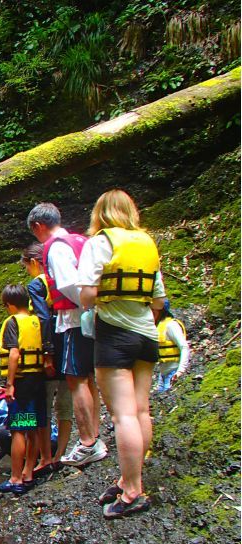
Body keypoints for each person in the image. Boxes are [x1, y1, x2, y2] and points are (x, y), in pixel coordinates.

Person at [78, 189, 166, 518]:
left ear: (99, 214)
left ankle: (132, 491)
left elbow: (86, 295)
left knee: (124, 416)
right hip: (146, 333)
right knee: (141, 411)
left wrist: (102, 295)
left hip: (114, 335)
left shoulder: (99, 243)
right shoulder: (146, 243)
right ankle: (130, 477)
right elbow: (158, 300)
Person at [27, 203, 107, 467]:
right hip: (90, 319)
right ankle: (92, 437)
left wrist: (87, 309)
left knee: (76, 380)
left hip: (75, 321)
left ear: (39, 226)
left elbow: (69, 285)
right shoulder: (79, 240)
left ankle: (86, 442)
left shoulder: (56, 248)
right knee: (86, 380)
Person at [20, 243, 73, 471]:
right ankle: (61, 453)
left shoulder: (36, 285)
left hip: (49, 350)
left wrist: (47, 354)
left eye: (27, 267)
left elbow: (42, 318)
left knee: (41, 408)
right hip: (69, 344)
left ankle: (42, 459)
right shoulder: (61, 279)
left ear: (33, 263)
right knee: (65, 405)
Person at [0, 285, 46, 494]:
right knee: (32, 428)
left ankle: (15, 478)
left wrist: (10, 383)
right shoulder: (36, 321)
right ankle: (28, 473)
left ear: (11, 305)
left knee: (18, 430)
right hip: (37, 380)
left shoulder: (13, 322)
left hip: (22, 382)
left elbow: (14, 354)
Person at [152, 300, 190, 391]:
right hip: (163, 373)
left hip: (173, 372)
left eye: (153, 310)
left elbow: (184, 347)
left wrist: (180, 371)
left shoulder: (171, 325)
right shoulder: (157, 326)